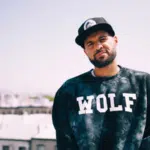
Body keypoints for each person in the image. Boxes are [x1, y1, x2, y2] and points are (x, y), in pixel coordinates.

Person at [52, 17, 150, 150]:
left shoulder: (143, 83)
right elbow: (65, 142)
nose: (98, 47)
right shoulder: (69, 91)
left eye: (102, 39)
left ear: (115, 40)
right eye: (90, 44)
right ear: (85, 51)